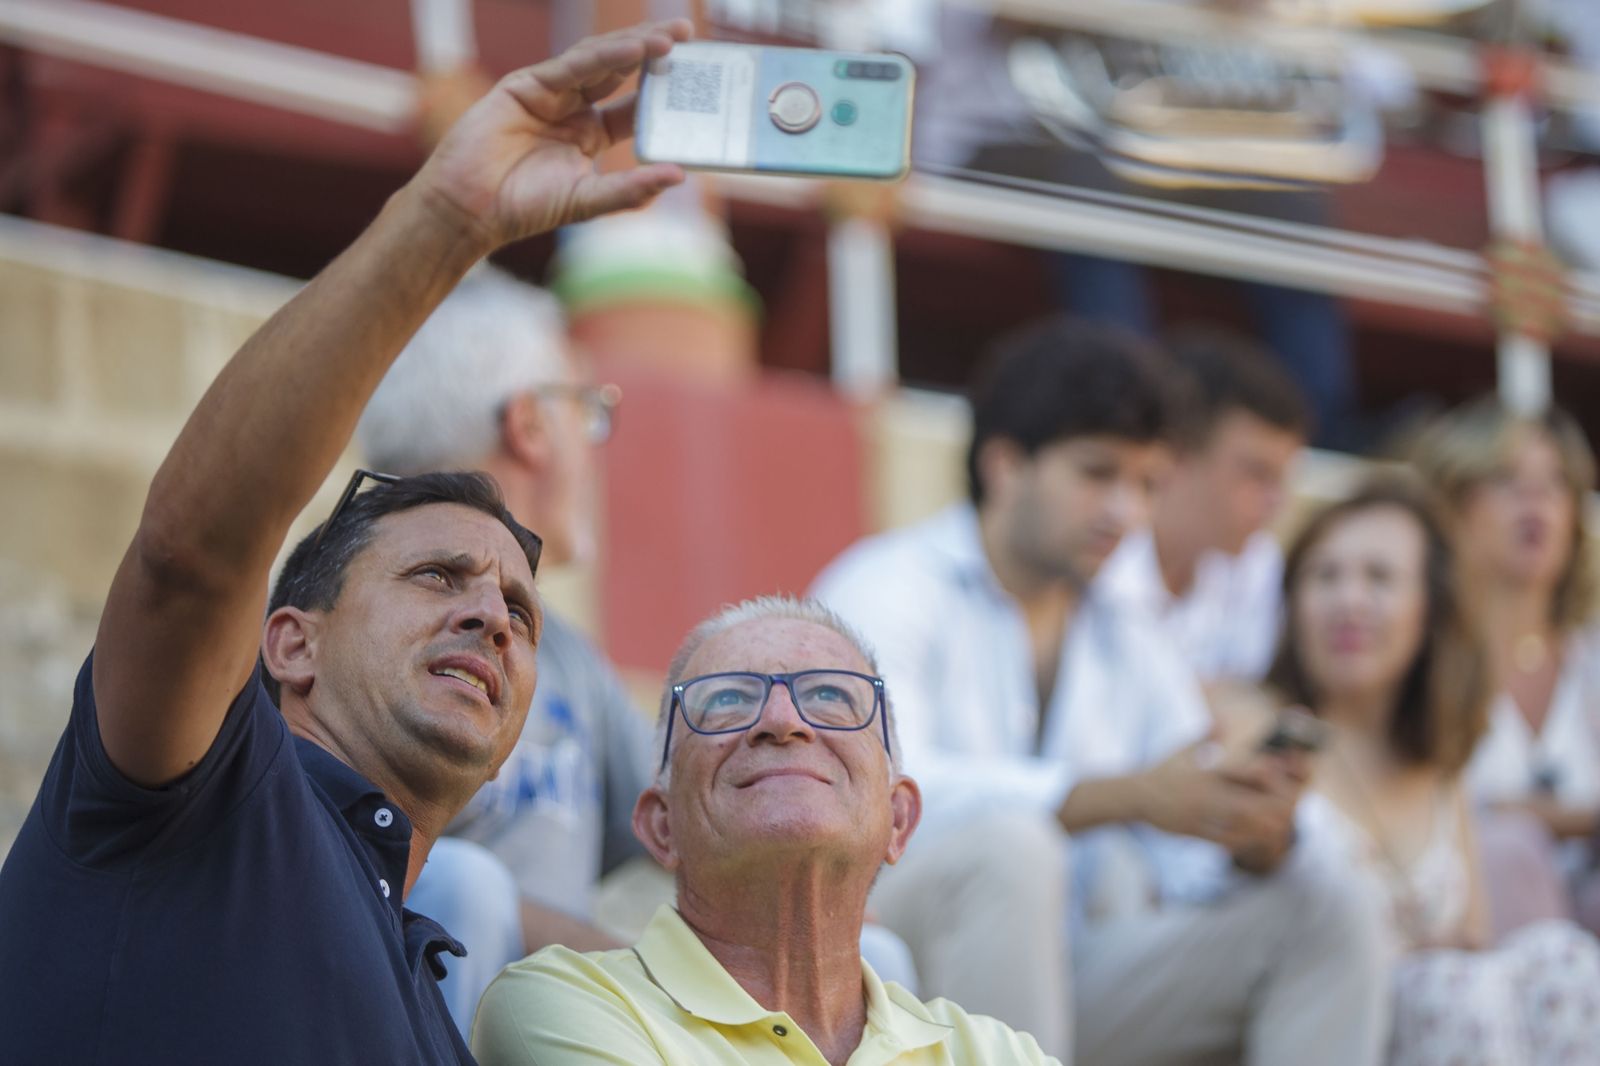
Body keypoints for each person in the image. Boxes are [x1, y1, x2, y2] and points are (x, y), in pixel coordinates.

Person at [0, 20, 695, 1064]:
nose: (489, 616)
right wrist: (447, 219)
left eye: (517, 609)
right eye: (438, 575)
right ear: (290, 644)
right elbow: (193, 553)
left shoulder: (437, 1008)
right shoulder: (204, 793)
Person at [810, 315, 1389, 1065]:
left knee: (1330, 909)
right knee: (1013, 853)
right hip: (878, 960)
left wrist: (1253, 831)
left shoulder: (1128, 630)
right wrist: (1118, 797)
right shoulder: (889, 585)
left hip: (1056, 991)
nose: (1127, 512)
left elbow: (1184, 851)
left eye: (1147, 484)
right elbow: (877, 800)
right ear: (1005, 465)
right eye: (1098, 474)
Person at [471, 596, 1059, 1066]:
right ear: (660, 826)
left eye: (829, 696)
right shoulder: (565, 1006)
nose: (782, 721)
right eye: (727, 700)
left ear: (899, 820)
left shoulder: (997, 1052)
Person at [355, 267, 655, 1031]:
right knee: (464, 887)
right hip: (376, 1012)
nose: (594, 453)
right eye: (586, 415)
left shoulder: (570, 660)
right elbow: (351, 871)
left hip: (556, 1022)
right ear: (529, 424)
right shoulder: (342, 611)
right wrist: (622, 971)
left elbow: (677, 828)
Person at [1269, 475, 1600, 1065]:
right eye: (1325, 576)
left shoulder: (1440, 763)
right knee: (1453, 993)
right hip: (1336, 1025)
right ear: (1292, 599)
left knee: (1564, 960)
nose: (1349, 600)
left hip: (1451, 1035)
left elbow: (1472, 934)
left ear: (1430, 608)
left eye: (1379, 578)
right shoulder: (1255, 723)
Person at [1407, 398, 1600, 936]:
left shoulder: (1593, 662)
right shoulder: (1415, 658)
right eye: (1506, 479)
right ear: (1451, 504)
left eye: (1557, 482)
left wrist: (1536, 815)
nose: (1535, 500)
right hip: (1467, 941)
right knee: (1507, 856)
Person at [1097, 324, 1309, 686]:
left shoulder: (1259, 567)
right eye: (1257, 474)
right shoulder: (1096, 552)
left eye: (1281, 480)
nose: (1277, 502)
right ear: (1174, 457)